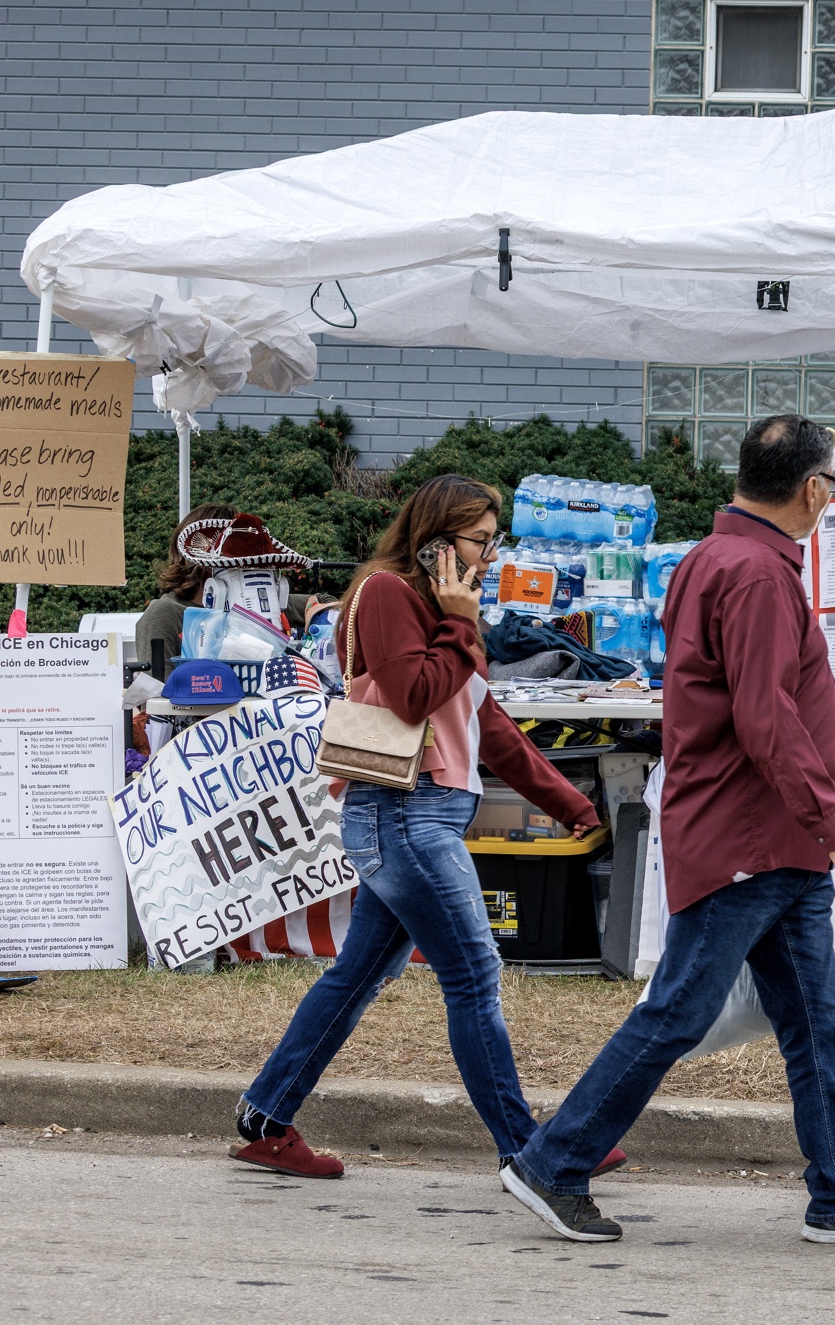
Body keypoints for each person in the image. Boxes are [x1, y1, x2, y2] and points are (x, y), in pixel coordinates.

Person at [501, 415, 835, 1248]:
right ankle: (553, 1162)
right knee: (677, 1012)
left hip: (773, 842)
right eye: (834, 487)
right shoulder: (757, 573)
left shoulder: (720, 557)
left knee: (814, 1018)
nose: (832, 501)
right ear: (812, 490)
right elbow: (765, 717)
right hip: (753, 838)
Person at [232, 474, 623, 1181]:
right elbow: (413, 696)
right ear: (439, 541)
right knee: (474, 975)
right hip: (403, 812)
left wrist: (571, 802)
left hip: (419, 813)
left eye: (494, 539)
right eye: (481, 540)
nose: (490, 554)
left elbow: (490, 727)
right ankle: (530, 1149)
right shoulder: (388, 593)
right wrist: (461, 624)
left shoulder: (445, 613)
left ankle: (265, 1117)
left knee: (355, 978)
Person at [134, 503, 329, 666]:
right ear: (201, 564)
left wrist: (321, 624)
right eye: (237, 561)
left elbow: (325, 602)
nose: (249, 569)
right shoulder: (166, 614)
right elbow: (154, 701)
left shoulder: (271, 603)